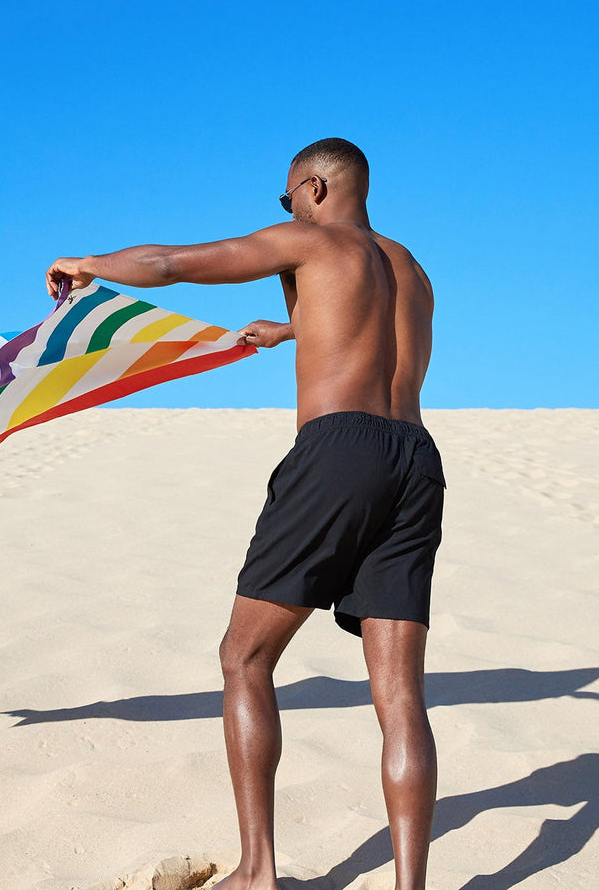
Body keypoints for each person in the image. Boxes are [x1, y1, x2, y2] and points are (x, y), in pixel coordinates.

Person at [46, 138, 444, 890]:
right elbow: (375, 333)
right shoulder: (411, 268)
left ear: (316, 188)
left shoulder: (311, 239)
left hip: (339, 451)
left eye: (286, 196)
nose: (286, 208)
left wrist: (88, 264)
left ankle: (256, 871)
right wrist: (290, 329)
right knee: (400, 698)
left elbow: (174, 264)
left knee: (245, 658)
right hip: (417, 459)